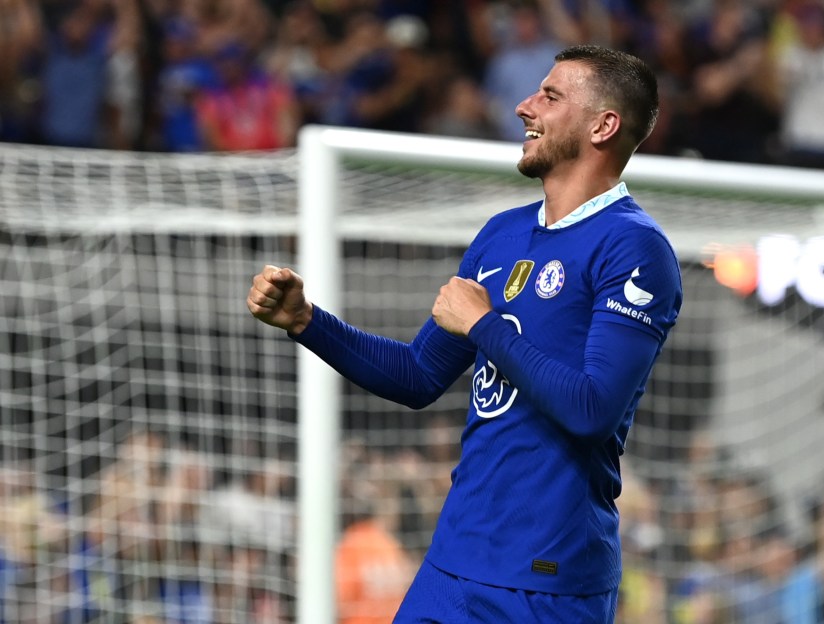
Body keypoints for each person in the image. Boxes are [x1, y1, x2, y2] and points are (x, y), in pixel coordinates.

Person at [246, 44, 682, 623]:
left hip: (545, 578)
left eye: (550, 96)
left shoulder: (634, 246)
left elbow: (593, 408)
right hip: (453, 562)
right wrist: (306, 322)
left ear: (604, 125)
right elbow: (418, 375)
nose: (524, 106)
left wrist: (484, 324)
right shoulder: (501, 234)